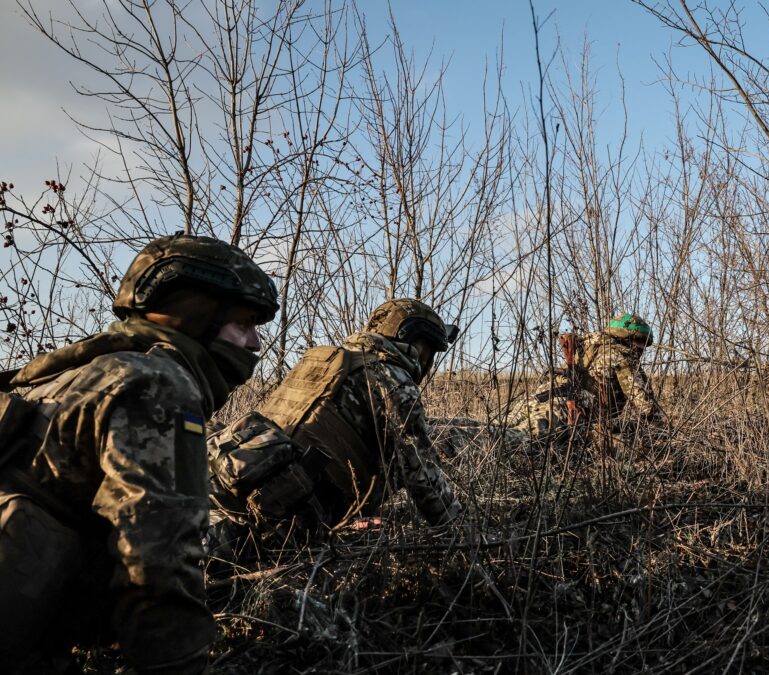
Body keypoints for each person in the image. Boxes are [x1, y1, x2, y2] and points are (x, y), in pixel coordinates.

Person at [0, 233, 277, 674]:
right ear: (195, 316)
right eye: (243, 323)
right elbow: (157, 567)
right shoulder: (157, 386)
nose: (255, 343)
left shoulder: (68, 373)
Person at [210, 298, 462, 534]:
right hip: (286, 513)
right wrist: (460, 532)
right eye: (429, 351)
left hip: (231, 483)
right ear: (414, 342)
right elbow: (421, 473)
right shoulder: (392, 380)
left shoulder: (324, 360)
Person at [507, 312, 664, 440]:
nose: (642, 348)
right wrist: (662, 432)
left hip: (538, 398)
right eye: (639, 341)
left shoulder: (587, 346)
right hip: (563, 410)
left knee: (498, 426)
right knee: (509, 440)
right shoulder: (622, 357)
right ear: (626, 337)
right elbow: (645, 406)